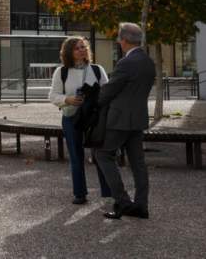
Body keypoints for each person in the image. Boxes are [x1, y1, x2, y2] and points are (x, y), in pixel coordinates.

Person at [95, 22, 156, 220]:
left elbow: (109, 91)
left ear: (124, 40)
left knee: (103, 154)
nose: (118, 42)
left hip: (119, 119)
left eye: (119, 38)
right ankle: (141, 206)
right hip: (138, 119)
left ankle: (123, 202)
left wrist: (91, 102)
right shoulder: (148, 61)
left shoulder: (125, 63)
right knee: (138, 163)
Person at [47, 37, 110, 205]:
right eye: (77, 48)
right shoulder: (61, 72)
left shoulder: (97, 69)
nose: (82, 50)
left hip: (94, 119)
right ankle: (79, 193)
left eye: (83, 47)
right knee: (76, 156)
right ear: (69, 52)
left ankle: (108, 193)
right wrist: (68, 99)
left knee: (100, 155)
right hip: (71, 118)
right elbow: (52, 95)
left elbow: (107, 93)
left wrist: (95, 99)